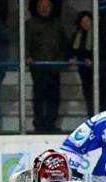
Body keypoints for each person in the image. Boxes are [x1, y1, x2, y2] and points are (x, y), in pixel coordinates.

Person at [26, 0, 68, 133]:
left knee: (54, 97)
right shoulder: (30, 24)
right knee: (39, 97)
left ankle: (50, 123)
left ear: (51, 8)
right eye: (41, 6)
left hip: (54, 67)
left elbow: (64, 44)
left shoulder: (58, 24)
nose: (44, 9)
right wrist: (27, 57)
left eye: (47, 6)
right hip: (38, 67)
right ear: (37, 8)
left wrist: (62, 60)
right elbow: (25, 42)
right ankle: (39, 124)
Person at [70, 10, 106, 118]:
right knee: (89, 98)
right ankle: (93, 120)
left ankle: (104, 121)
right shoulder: (77, 35)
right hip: (86, 73)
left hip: (101, 71)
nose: (86, 23)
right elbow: (71, 50)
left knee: (103, 98)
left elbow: (103, 52)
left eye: (88, 20)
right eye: (83, 21)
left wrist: (93, 61)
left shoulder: (99, 34)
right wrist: (73, 58)